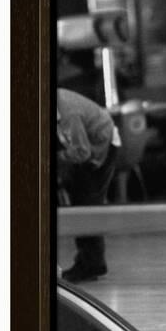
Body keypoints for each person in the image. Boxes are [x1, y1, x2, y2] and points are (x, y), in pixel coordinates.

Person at [57, 88, 120, 283]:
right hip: (87, 145)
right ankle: (89, 262)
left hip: (101, 148)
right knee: (81, 204)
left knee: (86, 206)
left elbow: (82, 152)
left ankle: (92, 265)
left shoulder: (69, 114)